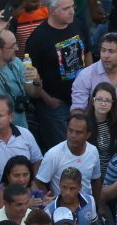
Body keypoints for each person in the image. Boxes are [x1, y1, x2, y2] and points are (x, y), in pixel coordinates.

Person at [25, 0, 90, 148]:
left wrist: (90, 85)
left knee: (83, 146)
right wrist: (47, 99)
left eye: (73, 6)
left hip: (81, 99)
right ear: (52, 10)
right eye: (66, 8)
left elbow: (87, 53)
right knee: (62, 149)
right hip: (55, 106)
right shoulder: (38, 38)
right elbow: (31, 76)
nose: (72, 11)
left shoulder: (78, 24)